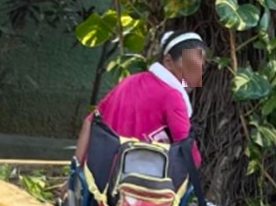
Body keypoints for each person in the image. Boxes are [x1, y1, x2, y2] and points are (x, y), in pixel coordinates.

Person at [75, 30, 206, 166]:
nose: (196, 74)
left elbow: (90, 121)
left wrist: (74, 171)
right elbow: (189, 154)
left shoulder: (129, 80)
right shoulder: (172, 96)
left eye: (201, 67)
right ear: (168, 62)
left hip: (99, 179)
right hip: (137, 182)